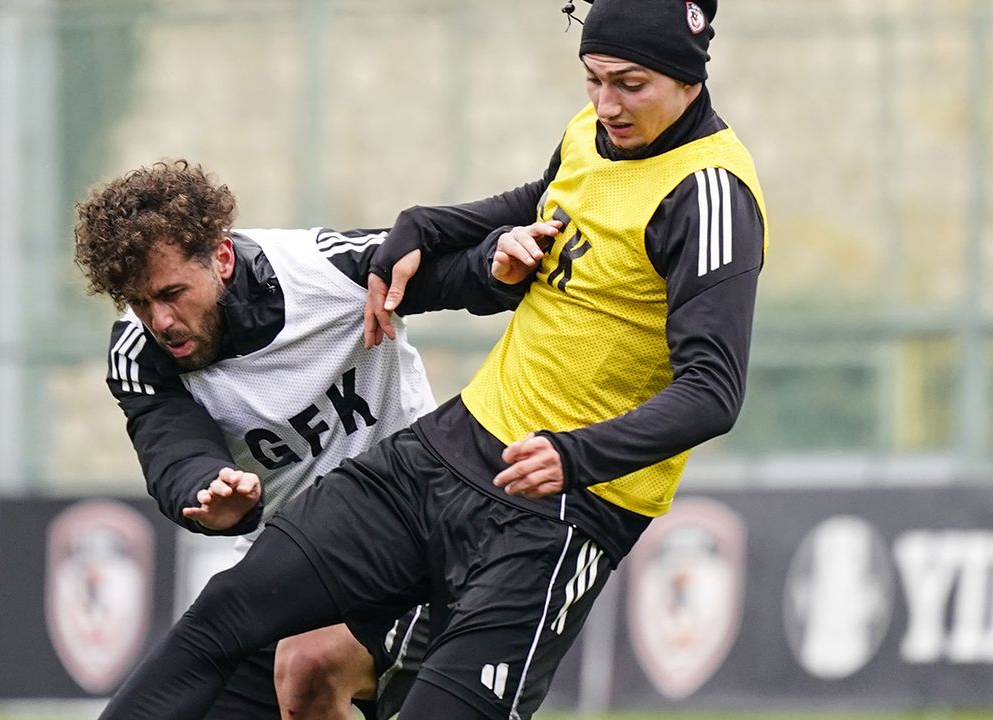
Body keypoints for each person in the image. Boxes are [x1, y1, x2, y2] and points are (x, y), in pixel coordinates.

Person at [103, 0, 768, 717]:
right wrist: (423, 224)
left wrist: (575, 455)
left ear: (689, 77)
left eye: (629, 85)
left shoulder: (709, 194)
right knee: (225, 617)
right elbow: (535, 202)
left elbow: (713, 391)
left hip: (561, 510)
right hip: (446, 453)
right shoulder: (593, 133)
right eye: (593, 79)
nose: (606, 104)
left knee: (331, 674)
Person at [74, 160, 528, 720]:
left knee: (309, 666)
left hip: (418, 541)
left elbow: (457, 271)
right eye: (141, 303)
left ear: (221, 257)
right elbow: (172, 448)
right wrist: (209, 492)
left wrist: (497, 269)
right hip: (295, 566)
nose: (160, 321)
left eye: (172, 293)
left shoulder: (327, 270)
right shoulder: (138, 353)